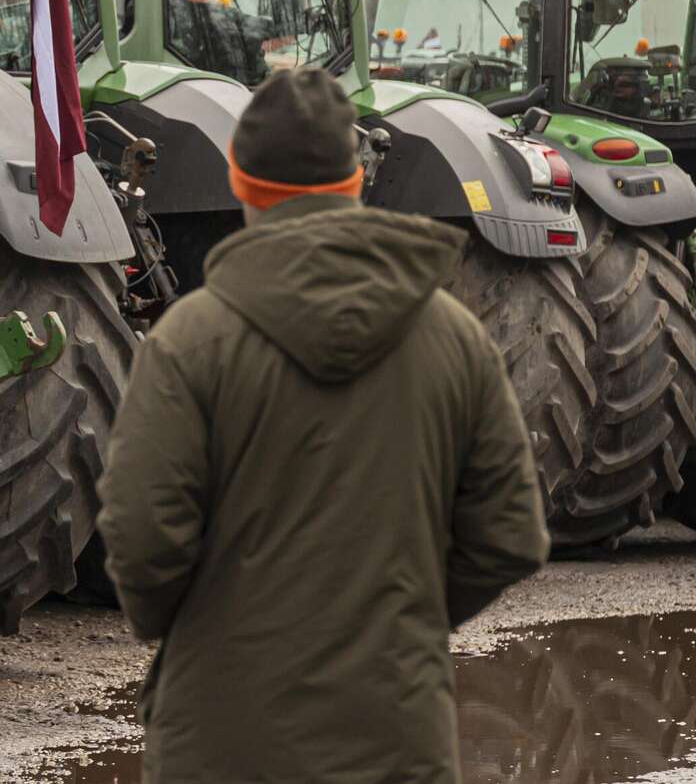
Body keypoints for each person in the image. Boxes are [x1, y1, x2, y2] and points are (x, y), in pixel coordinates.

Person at [97, 67, 550, 783]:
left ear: (241, 183)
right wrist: (404, 625)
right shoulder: (452, 336)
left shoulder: (191, 340)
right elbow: (510, 535)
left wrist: (192, 633)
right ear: (355, 180)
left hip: (222, 738)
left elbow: (142, 535)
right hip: (396, 736)